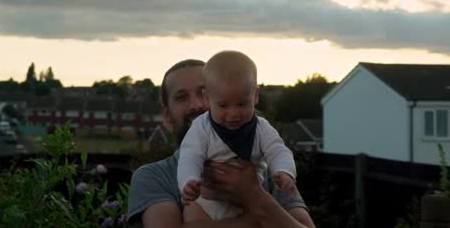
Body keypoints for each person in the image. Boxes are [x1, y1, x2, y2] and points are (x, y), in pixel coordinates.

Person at [127, 59, 316, 228]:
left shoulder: (268, 169)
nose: (198, 105)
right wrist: (259, 219)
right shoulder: (155, 177)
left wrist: (254, 195)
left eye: (204, 93)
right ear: (167, 116)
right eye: (182, 97)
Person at [178, 51, 297, 222]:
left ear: (255, 96)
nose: (233, 114)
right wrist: (189, 181)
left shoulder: (261, 128)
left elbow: (278, 150)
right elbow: (190, 156)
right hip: (205, 202)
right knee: (192, 215)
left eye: (242, 104)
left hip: (247, 204)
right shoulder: (201, 128)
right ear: (207, 98)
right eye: (223, 105)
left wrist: (284, 171)